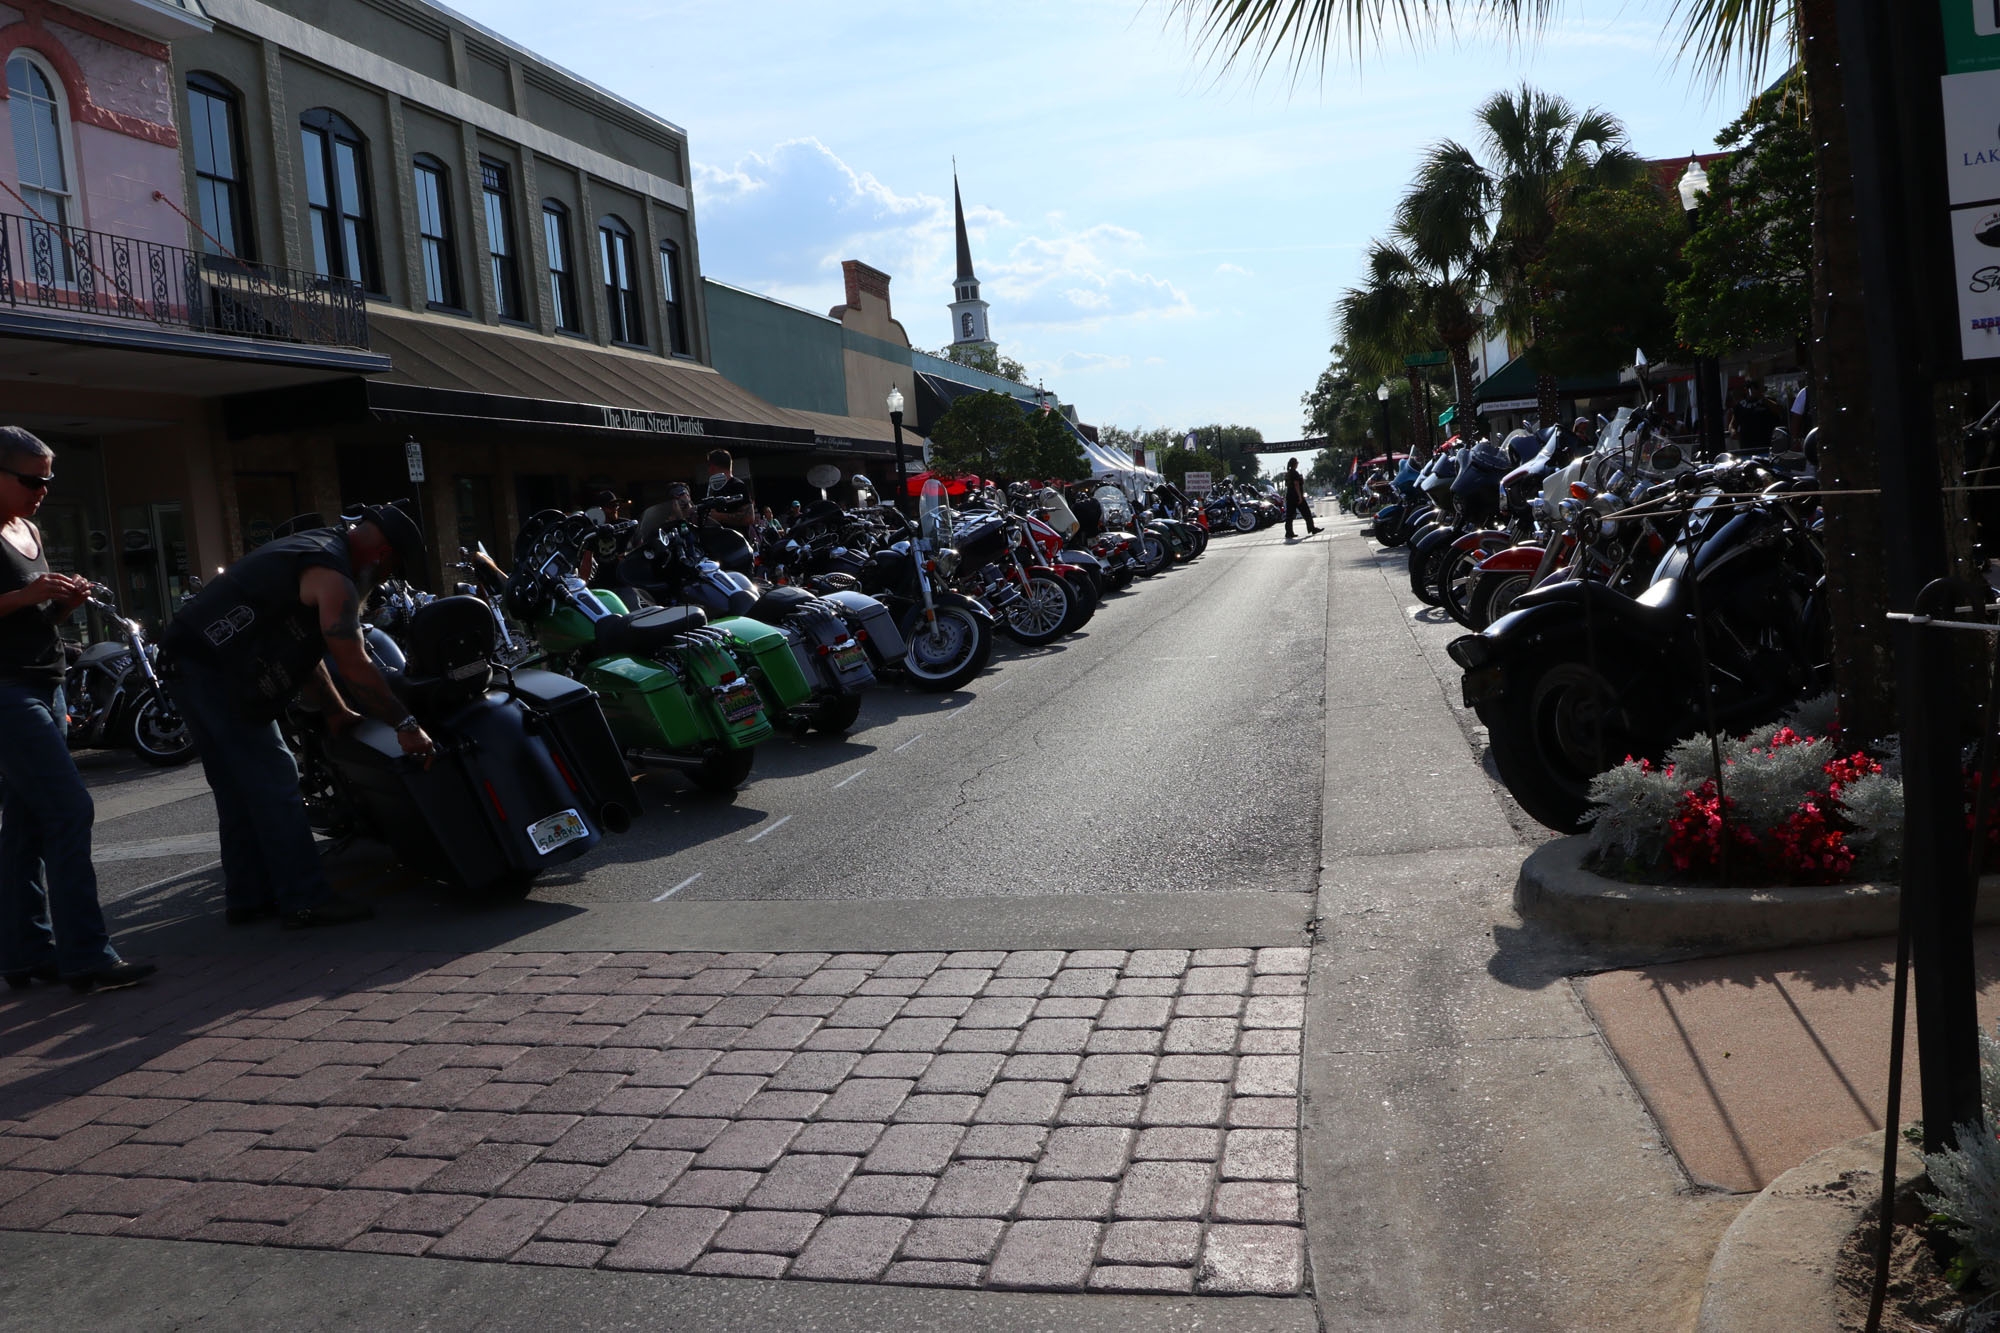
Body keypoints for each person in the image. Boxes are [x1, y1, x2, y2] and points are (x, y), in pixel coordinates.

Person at [161, 504, 437, 929]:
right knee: (276, 781)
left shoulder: (314, 548)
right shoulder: (334, 574)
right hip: (217, 674)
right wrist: (406, 724)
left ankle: (249, 897)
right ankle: (305, 898)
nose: (385, 580)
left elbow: (302, 649)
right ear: (383, 554)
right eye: (392, 567)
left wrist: (335, 709)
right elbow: (352, 659)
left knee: (237, 790)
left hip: (190, 663)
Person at [0, 428, 156, 993]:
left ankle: (24, 954)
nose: (41, 490)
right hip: (7, 694)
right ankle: (86, 956)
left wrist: (60, 605)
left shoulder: (29, 529)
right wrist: (24, 594)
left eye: (47, 480)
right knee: (69, 811)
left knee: (23, 827)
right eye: (30, 480)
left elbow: (29, 625)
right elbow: (14, 606)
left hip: (46, 682)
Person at [703, 449, 753, 531]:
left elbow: (749, 518)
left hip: (736, 541)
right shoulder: (714, 488)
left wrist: (718, 516)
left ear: (712, 467)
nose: (708, 470)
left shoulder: (737, 485)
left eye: (709, 466)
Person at [1729, 379, 1780, 454]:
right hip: (1747, 446)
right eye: (1749, 388)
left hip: (1765, 445)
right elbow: (1733, 424)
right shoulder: (1740, 406)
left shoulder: (1766, 403)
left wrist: (1761, 397)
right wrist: (1732, 431)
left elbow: (1778, 410)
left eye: (1754, 388)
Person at [1283, 458, 1320, 540]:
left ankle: (1289, 532)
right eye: (1297, 463)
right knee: (1306, 512)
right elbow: (1296, 485)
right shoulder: (1295, 473)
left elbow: (1288, 485)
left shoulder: (1288, 473)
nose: (1297, 464)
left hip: (1289, 496)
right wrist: (1300, 497)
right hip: (1296, 496)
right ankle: (1312, 528)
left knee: (1289, 515)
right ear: (1295, 464)